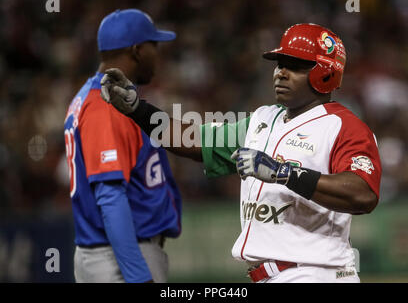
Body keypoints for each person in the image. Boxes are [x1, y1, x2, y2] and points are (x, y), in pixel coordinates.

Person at [100, 23, 382, 283]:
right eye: (279, 64)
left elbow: (363, 194)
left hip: (316, 273)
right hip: (272, 275)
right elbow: (195, 139)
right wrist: (139, 110)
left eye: (294, 66)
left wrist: (281, 173)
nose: (280, 72)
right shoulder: (263, 119)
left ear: (325, 72)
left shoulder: (343, 126)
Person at [63, 9, 182, 283]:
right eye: (155, 45)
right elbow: (110, 196)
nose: (158, 53)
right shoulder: (105, 106)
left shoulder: (95, 96)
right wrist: (139, 277)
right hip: (120, 259)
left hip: (115, 253)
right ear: (137, 50)